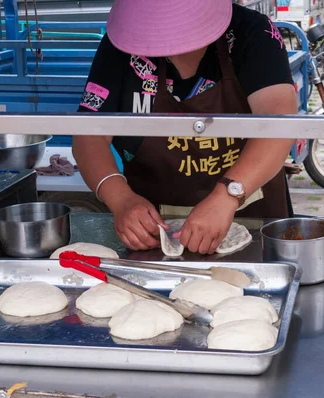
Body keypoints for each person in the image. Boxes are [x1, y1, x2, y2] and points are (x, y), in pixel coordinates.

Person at [73, 0, 298, 255]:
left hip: (256, 222)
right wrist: (119, 198)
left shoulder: (253, 34)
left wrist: (227, 195)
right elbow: (88, 134)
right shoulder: (121, 46)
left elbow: (279, 124)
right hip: (154, 235)